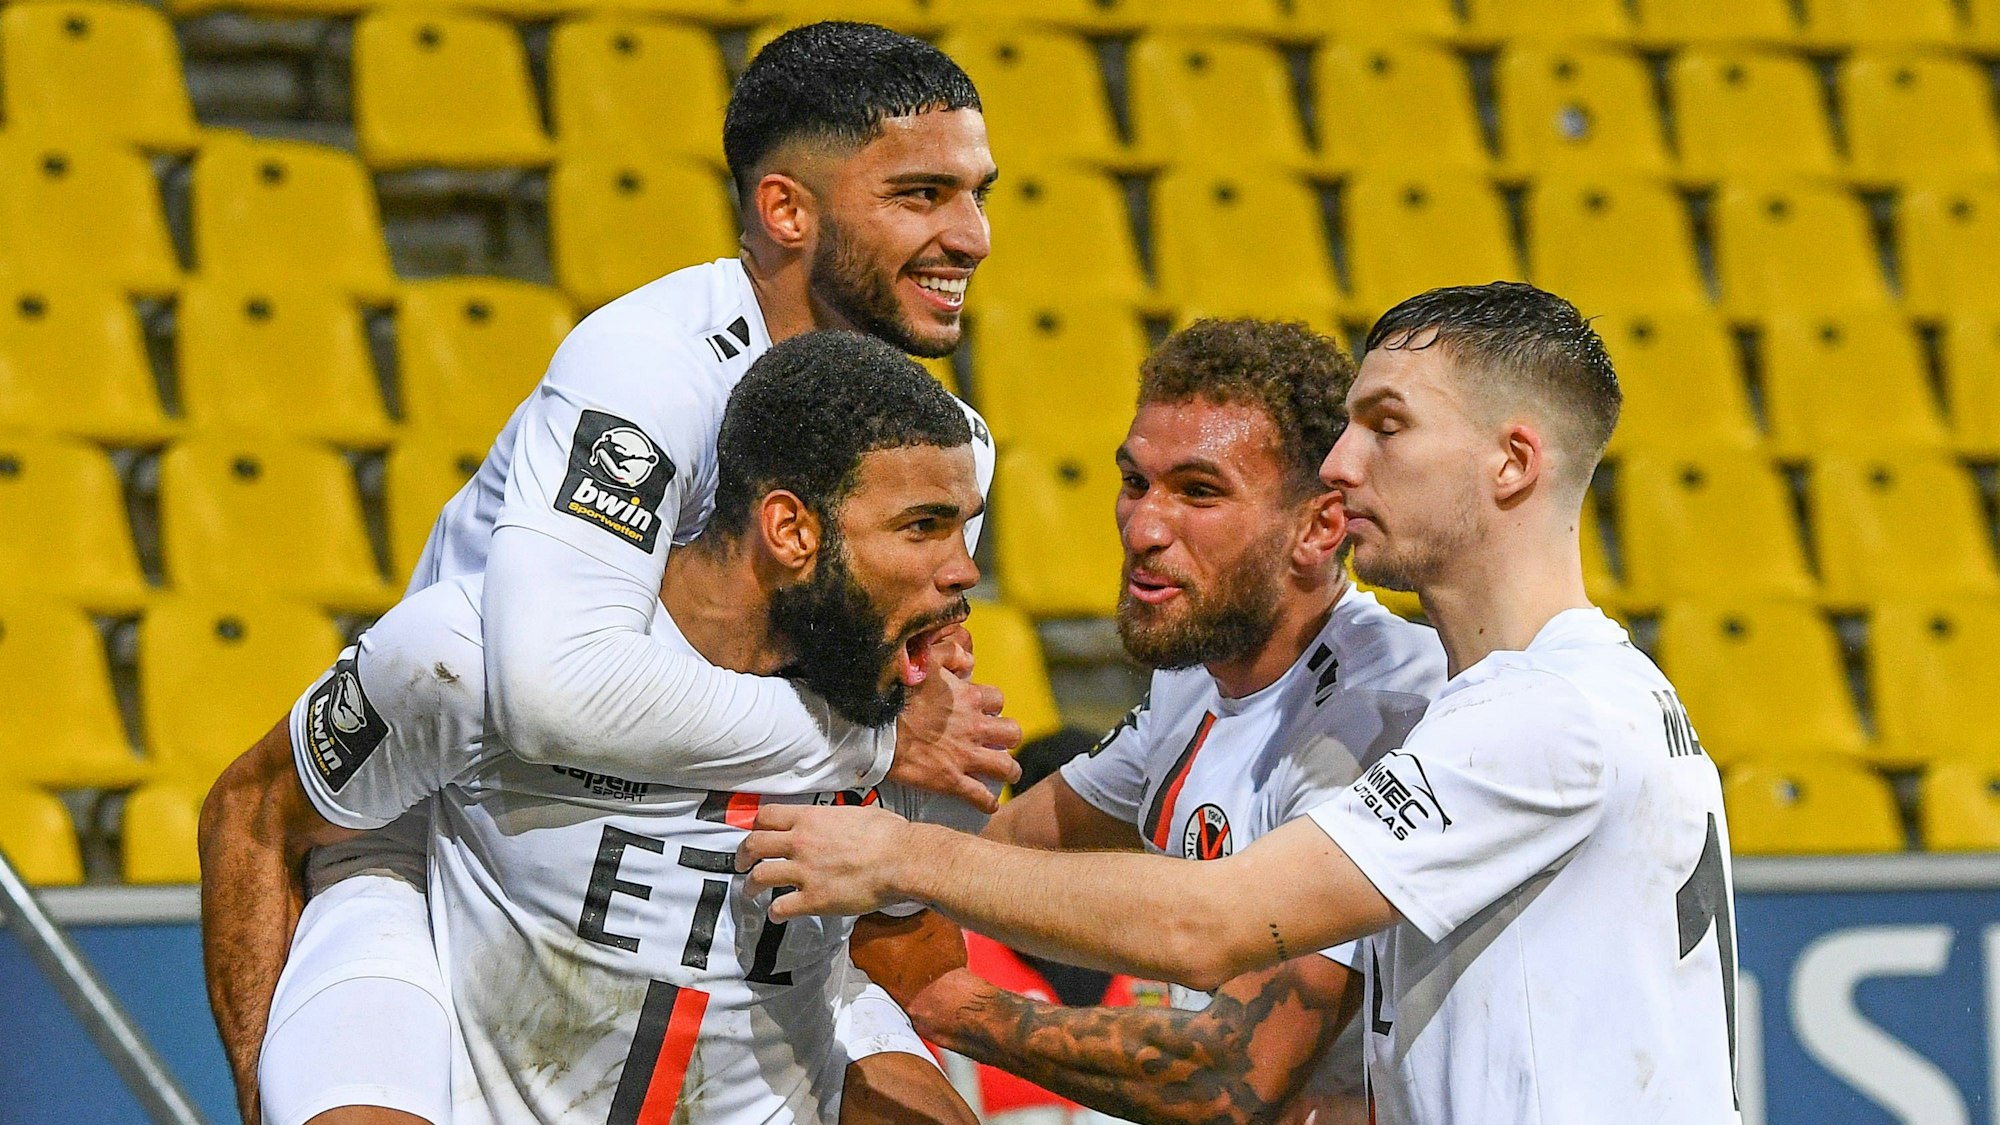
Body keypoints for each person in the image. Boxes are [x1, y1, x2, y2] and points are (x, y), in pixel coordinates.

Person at [201, 23, 1020, 1125]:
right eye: (921, 195)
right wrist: (871, 738)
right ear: (786, 210)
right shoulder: (648, 371)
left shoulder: (947, 441)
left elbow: (904, 718)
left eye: (976, 194)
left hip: (740, 847)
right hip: (466, 832)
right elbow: (555, 689)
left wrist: (902, 743)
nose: (969, 235)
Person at [740, 283, 1743, 1125]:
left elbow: (1215, 942)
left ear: (1511, 462)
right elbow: (1017, 858)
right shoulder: (1539, 695)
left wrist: (910, 896)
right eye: (1133, 484)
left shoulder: (1511, 713)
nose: (1345, 466)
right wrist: (889, 753)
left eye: (1384, 426)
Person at [204, 333, 994, 1125]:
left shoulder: (914, 708)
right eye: (924, 527)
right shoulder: (471, 656)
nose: (964, 569)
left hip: (770, 1075)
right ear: (790, 531)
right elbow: (251, 814)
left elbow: (909, 945)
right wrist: (264, 1089)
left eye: (963, 527)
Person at [861, 320, 1445, 1125]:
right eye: (1136, 482)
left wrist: (948, 999)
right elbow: (1000, 858)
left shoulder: (1387, 713)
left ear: (1319, 526)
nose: (1143, 528)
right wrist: (885, 743)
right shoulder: (1193, 680)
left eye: (1199, 492)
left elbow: (1229, 1076)